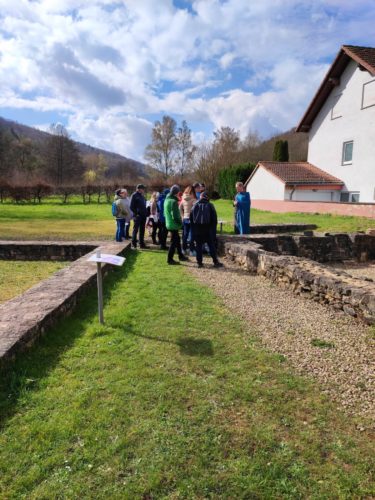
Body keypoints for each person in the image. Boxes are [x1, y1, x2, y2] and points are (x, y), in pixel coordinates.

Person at [190, 191, 223, 268]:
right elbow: (214, 219)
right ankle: (215, 262)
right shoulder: (210, 205)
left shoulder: (194, 205)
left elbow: (191, 219)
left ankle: (199, 263)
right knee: (211, 245)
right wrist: (213, 230)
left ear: (200, 197)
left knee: (198, 246)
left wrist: (194, 230)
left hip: (197, 229)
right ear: (207, 197)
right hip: (207, 229)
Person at [164, 184, 188, 265]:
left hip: (169, 223)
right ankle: (169, 259)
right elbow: (175, 215)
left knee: (177, 240)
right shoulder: (173, 201)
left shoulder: (167, 199)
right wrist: (180, 223)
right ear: (176, 193)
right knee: (173, 242)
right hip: (173, 224)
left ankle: (181, 256)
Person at [179, 185, 196, 255]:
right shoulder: (194, 200)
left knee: (185, 235)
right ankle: (191, 250)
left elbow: (179, 208)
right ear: (192, 192)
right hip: (192, 219)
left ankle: (183, 249)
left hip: (185, 218)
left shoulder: (183, 199)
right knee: (192, 235)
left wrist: (182, 216)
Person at [130, 184, 148, 248]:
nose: (143, 190)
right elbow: (131, 206)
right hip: (137, 216)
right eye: (143, 189)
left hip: (143, 215)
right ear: (139, 189)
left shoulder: (142, 196)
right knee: (135, 229)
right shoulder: (134, 195)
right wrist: (136, 213)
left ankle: (141, 244)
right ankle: (133, 243)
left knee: (142, 230)